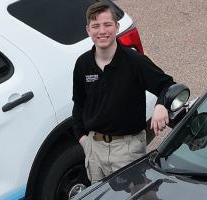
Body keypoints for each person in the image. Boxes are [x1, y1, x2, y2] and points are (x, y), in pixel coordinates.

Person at [74, 1, 177, 183]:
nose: (102, 31)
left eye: (107, 24)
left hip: (127, 149)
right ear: (88, 30)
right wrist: (83, 139)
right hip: (94, 149)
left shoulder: (134, 61)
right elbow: (79, 104)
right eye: (95, 26)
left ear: (117, 26)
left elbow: (167, 85)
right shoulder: (83, 64)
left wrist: (161, 105)